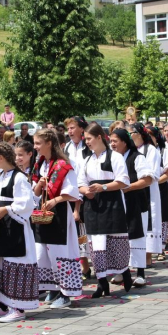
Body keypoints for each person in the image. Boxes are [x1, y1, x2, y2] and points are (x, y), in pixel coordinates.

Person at [0, 142, 39, 322]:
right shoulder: (1, 175)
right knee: (0, 262)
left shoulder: (19, 178)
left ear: (1, 158)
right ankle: (1, 305)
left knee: (15, 261)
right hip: (2, 225)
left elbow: (27, 204)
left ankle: (18, 308)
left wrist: (6, 210)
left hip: (16, 226)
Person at [77, 124, 131, 298]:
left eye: (89, 139)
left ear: (99, 137)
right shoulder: (87, 160)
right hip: (93, 205)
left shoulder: (115, 157)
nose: (87, 143)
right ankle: (102, 283)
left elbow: (123, 181)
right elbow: (80, 183)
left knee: (116, 242)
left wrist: (104, 187)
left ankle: (125, 271)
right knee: (96, 245)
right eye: (85, 139)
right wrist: (87, 191)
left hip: (112, 202)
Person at [31, 129, 82, 308]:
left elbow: (72, 191)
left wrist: (55, 200)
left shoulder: (63, 164)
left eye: (38, 143)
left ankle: (65, 293)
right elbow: (35, 191)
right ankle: (52, 288)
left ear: (49, 143)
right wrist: (39, 185)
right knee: (42, 253)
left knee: (59, 253)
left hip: (59, 212)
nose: (35, 147)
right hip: (42, 212)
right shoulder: (40, 164)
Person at [109, 128, 153, 287]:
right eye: (111, 141)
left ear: (125, 142)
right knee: (120, 236)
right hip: (118, 204)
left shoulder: (137, 157)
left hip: (134, 202)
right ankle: (121, 271)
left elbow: (147, 179)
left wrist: (128, 187)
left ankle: (141, 272)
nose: (112, 144)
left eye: (115, 141)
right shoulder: (112, 158)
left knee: (136, 236)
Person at [128, 123, 162, 270]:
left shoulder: (151, 150)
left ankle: (147, 258)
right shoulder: (130, 151)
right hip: (133, 192)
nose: (129, 135)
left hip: (148, 191)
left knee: (149, 222)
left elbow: (153, 173)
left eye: (131, 132)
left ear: (140, 134)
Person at [63, 116, 92, 279]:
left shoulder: (88, 147)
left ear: (82, 129)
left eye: (73, 127)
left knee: (87, 233)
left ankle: (95, 265)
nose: (70, 131)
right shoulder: (67, 147)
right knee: (77, 233)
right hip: (73, 193)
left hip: (87, 192)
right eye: (68, 128)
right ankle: (84, 267)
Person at [146, 126, 168, 261]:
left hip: (161, 186)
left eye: (151, 135)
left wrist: (154, 182)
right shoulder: (142, 151)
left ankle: (161, 247)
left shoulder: (164, 151)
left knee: (163, 217)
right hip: (145, 188)